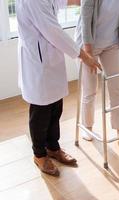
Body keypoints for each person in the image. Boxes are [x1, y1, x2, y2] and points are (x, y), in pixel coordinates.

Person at [16, 0, 101, 176]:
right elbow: (54, 32)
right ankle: (39, 155)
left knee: (56, 107)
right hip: (38, 60)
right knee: (41, 110)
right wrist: (83, 56)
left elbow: (59, 1)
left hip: (49, 56)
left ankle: (53, 147)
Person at [75, 0, 119, 146]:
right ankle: (87, 127)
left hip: (111, 43)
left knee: (116, 88)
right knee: (90, 89)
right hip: (88, 45)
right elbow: (86, 21)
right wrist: (87, 53)